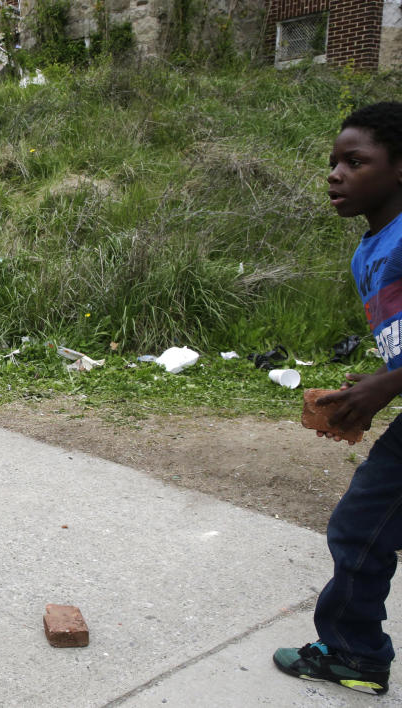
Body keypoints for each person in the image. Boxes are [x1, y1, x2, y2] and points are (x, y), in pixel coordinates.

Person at [273, 102, 402, 696]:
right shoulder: (368, 250)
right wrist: (375, 382)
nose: (335, 173)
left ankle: (353, 653)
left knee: (359, 527)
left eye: (355, 161)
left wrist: (390, 384)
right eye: (333, 162)